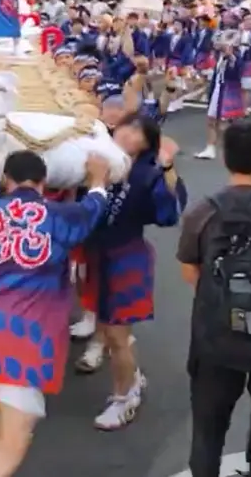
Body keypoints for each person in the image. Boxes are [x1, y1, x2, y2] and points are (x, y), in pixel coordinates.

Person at [0, 146, 110, 477]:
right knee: (11, 443)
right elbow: (92, 209)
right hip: (24, 341)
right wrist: (99, 180)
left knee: (11, 432)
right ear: (44, 182)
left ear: (6, 181)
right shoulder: (60, 217)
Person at [177, 122, 251, 477]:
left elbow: (191, 271)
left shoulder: (202, 212)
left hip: (215, 338)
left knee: (208, 430)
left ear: (225, 158)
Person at [86, 115, 186, 430]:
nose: (128, 135)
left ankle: (124, 398)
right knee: (113, 329)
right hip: (98, 254)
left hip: (127, 257)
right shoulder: (95, 160)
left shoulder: (147, 173)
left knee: (116, 333)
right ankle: (132, 380)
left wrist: (168, 167)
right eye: (127, 128)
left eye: (138, 133)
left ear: (147, 143)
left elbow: (169, 214)